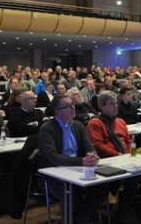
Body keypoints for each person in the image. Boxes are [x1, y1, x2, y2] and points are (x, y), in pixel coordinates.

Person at [38, 94, 108, 224]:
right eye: (68, 106)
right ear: (58, 112)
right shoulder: (47, 128)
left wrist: (92, 155)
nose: (73, 108)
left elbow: (89, 147)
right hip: (53, 172)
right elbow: (53, 157)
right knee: (70, 195)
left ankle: (77, 220)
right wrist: (82, 161)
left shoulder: (78, 125)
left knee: (101, 188)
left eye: (73, 105)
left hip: (77, 168)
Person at [86, 91, 141, 223]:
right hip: (107, 162)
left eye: (116, 103)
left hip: (125, 158)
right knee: (134, 178)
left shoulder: (121, 121)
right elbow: (98, 146)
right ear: (102, 107)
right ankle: (125, 212)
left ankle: (126, 209)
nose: (116, 106)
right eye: (112, 104)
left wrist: (130, 154)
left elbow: (128, 141)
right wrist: (119, 155)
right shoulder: (95, 123)